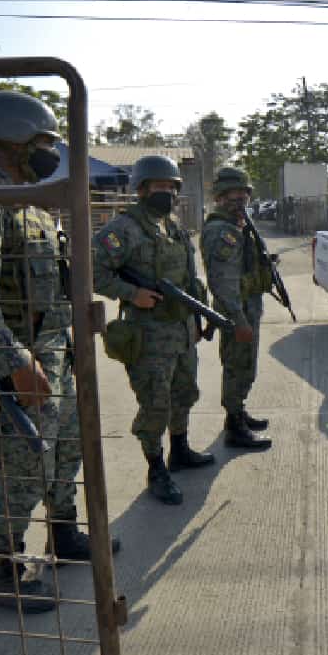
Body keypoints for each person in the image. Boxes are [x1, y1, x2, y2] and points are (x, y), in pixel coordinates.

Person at [0, 90, 116, 613]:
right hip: (17, 364)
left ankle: (63, 532)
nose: (52, 154)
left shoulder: (29, 203)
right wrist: (14, 362)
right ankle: (5, 565)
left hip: (55, 354)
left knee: (67, 449)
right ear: (13, 142)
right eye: (44, 144)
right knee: (23, 461)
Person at [92, 155, 215, 506]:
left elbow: (189, 279)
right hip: (147, 335)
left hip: (180, 330)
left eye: (171, 187)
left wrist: (195, 319)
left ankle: (180, 450)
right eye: (159, 186)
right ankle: (156, 468)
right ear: (142, 189)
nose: (166, 193)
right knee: (155, 404)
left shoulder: (173, 227)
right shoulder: (124, 229)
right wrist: (132, 294)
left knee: (184, 393)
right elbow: (92, 269)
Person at [200, 167, 273, 450]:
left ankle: (238, 412)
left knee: (246, 366)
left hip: (247, 307)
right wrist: (239, 319)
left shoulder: (238, 225)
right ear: (220, 197)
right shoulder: (222, 231)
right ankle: (234, 426)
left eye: (244, 192)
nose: (240, 197)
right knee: (236, 367)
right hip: (236, 311)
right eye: (233, 193)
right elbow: (223, 281)